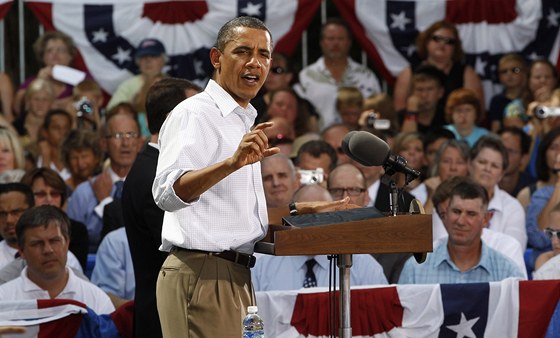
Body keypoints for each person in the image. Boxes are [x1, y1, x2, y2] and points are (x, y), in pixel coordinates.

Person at [152, 17, 351, 337]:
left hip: (235, 273)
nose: (254, 63)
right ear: (217, 58)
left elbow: (231, 212)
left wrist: (298, 215)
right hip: (203, 273)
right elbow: (166, 193)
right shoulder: (195, 113)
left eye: (264, 54)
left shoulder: (243, 118)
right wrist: (231, 163)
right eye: (243, 51)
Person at [122, 77, 200, 338]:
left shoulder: (157, 166)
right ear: (172, 119)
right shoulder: (152, 175)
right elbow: (183, 248)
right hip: (165, 318)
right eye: (196, 113)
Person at [252, 183, 387, 291]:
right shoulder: (262, 267)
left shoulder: (364, 265)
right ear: (289, 219)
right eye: (305, 216)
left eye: (322, 216)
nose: (313, 224)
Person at [398, 179, 524, 284]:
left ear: (486, 219)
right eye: (456, 212)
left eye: (471, 214)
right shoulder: (415, 269)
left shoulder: (507, 272)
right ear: (445, 215)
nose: (461, 221)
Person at [0, 205, 114, 314]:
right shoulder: (3, 299)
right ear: (21, 251)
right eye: (37, 243)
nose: (48, 250)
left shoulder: (97, 300)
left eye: (54, 241)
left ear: (67, 243)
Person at [67, 110, 141, 252]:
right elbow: (72, 245)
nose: (125, 143)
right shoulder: (83, 192)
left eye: (131, 135)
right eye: (117, 136)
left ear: (139, 143)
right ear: (104, 144)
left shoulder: (151, 189)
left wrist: (105, 202)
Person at [430, 176, 527, 278]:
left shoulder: (507, 248)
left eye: (469, 213)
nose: (459, 221)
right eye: (443, 215)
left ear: (485, 218)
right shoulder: (427, 259)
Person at [295, 18, 381, 129]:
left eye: (340, 39)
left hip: (358, 141)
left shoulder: (366, 76)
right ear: (322, 42)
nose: (335, 43)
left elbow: (377, 111)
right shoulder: (306, 76)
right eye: (331, 39)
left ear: (349, 42)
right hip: (319, 142)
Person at [393, 20, 484, 117]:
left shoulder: (467, 73)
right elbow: (399, 111)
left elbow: (478, 111)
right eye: (437, 39)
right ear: (426, 41)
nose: (442, 44)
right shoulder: (409, 72)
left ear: (455, 47)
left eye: (449, 41)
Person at [468, 135, 527, 249]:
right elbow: (434, 244)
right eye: (482, 162)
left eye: (494, 166)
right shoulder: (449, 199)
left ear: (501, 174)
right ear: (470, 164)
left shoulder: (513, 208)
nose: (487, 169)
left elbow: (513, 251)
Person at [13, 31, 78, 115]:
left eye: (61, 50)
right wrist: (39, 82)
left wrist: (76, 101)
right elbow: (17, 109)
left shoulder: (81, 80)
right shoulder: (32, 82)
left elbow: (89, 111)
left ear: (70, 56)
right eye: (49, 50)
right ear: (42, 57)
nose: (55, 54)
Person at [107, 38, 167, 110]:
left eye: (153, 56)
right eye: (144, 57)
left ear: (163, 60)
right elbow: (110, 112)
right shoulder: (128, 86)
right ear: (138, 61)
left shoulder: (174, 84)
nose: (148, 60)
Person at [399, 64, 446, 134]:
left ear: (440, 92)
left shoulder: (447, 117)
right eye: (419, 90)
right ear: (412, 92)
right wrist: (412, 111)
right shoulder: (400, 118)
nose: (424, 95)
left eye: (430, 89)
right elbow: (409, 143)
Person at [488, 53, 528, 132]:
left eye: (515, 70)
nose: (509, 74)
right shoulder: (497, 101)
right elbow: (496, 130)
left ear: (525, 72)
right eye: (504, 71)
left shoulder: (532, 97)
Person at [36, 109, 72, 181]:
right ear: (45, 132)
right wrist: (46, 159)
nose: (62, 132)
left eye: (66, 128)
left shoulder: (77, 158)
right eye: (56, 128)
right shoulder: (34, 158)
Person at [498, 126, 534, 196]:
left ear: (524, 158)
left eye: (510, 151)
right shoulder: (483, 183)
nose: (503, 154)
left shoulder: (532, 190)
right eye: (500, 148)